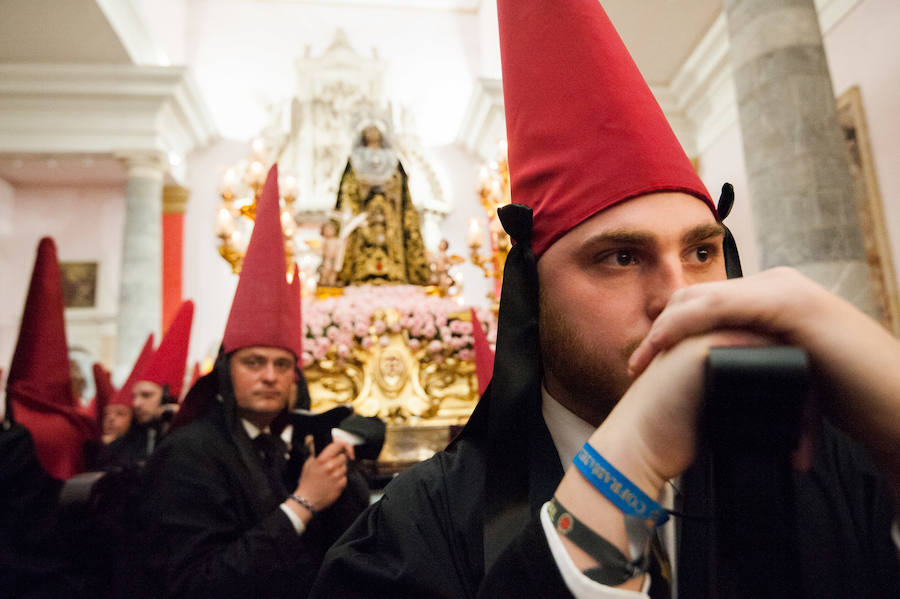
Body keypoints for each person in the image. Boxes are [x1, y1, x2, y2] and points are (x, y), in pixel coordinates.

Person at [311, 1, 900, 597]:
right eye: (621, 257)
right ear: (532, 294)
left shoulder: (829, 472)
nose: (680, 296)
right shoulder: (416, 530)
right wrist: (624, 470)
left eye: (701, 252)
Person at [128, 165, 368, 599]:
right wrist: (303, 503)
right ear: (225, 371)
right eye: (254, 362)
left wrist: (341, 474)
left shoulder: (297, 443)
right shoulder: (186, 455)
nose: (270, 376)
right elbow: (196, 584)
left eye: (282, 364)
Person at [335, 123, 431, 285]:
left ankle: (395, 273)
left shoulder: (393, 162)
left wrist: (386, 190)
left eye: (376, 127)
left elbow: (401, 190)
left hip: (390, 217)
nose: (372, 130)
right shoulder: (354, 161)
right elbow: (348, 192)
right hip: (364, 217)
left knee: (392, 238)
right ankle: (361, 274)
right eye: (368, 128)